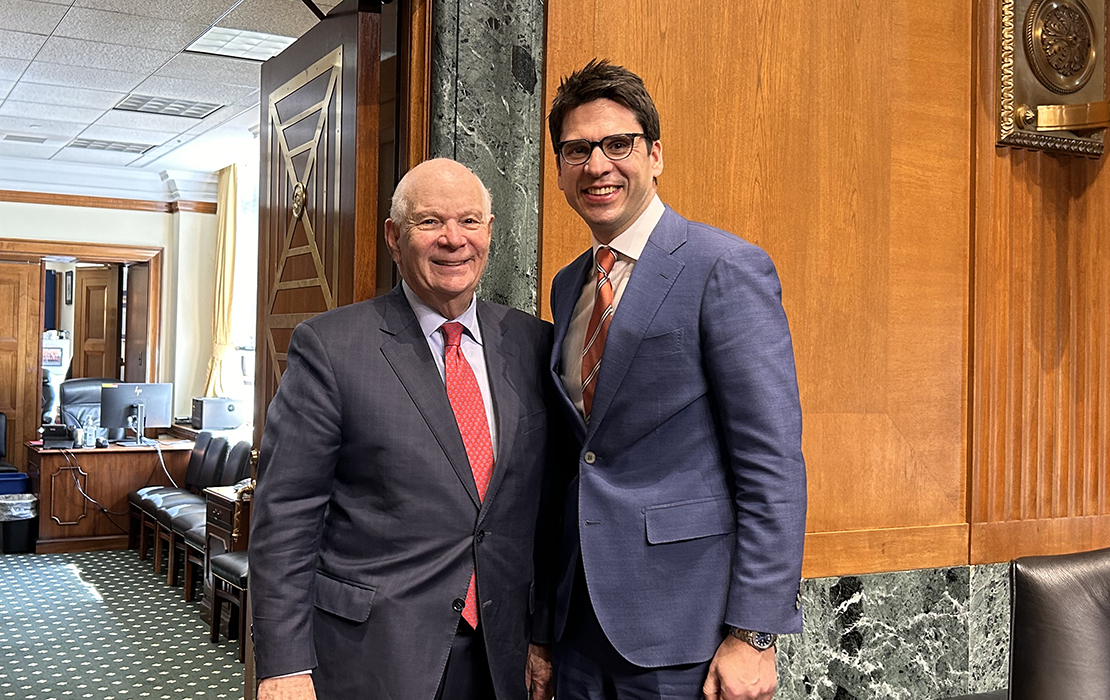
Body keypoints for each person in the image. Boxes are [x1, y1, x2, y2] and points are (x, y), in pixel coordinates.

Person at [546, 60, 808, 700]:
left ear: (655, 154)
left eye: (618, 144)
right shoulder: (566, 284)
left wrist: (755, 634)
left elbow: (771, 462)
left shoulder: (724, 267)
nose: (597, 165)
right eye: (576, 149)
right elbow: (579, 455)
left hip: (688, 630)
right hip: (578, 628)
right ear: (559, 169)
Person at [249, 158, 558, 700]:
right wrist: (284, 664)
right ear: (394, 237)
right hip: (375, 654)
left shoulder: (534, 344)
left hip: (501, 656)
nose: (453, 239)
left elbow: (548, 510)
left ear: (489, 232)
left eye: (469, 221)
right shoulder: (331, 346)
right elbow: (286, 518)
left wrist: (544, 634)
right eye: (430, 222)